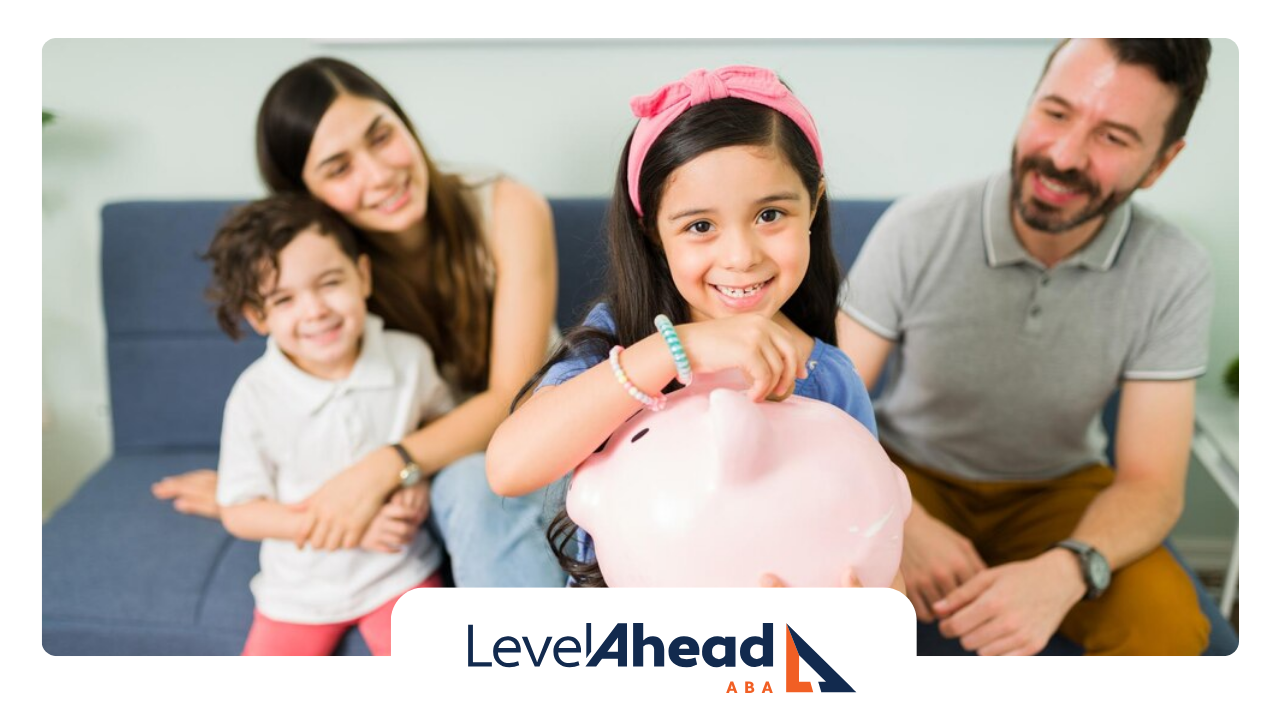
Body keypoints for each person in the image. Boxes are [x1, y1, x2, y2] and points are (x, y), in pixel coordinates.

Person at [838, 39, 1220, 655]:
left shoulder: (1175, 269)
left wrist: (1066, 571)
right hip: (909, 473)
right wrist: (902, 516)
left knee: (1169, 630)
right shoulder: (919, 227)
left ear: (1160, 164)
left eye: (1114, 138)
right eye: (1056, 113)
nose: (1064, 156)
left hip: (1059, 493)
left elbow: (1152, 483)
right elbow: (828, 414)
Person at [152, 57, 565, 588]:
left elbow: (515, 396)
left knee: (476, 482)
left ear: (404, 124)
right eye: (338, 168)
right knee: (467, 485)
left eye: (381, 136)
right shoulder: (326, 278)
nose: (379, 174)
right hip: (433, 478)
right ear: (306, 196)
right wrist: (262, 501)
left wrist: (385, 467)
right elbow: (301, 403)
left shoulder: (507, 207)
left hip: (528, 441)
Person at [486, 66, 880, 588]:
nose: (740, 256)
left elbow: (878, 543)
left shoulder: (828, 379)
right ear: (652, 231)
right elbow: (509, 469)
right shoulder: (620, 338)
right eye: (700, 226)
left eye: (770, 215)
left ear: (814, 202)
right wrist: (680, 349)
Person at [206, 194, 451, 655]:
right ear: (259, 316)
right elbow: (239, 511)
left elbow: (439, 423)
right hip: (299, 594)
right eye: (284, 299)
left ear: (362, 275)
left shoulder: (408, 358)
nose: (315, 310)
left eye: (330, 282)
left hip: (398, 574)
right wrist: (353, 527)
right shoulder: (255, 395)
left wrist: (416, 473)